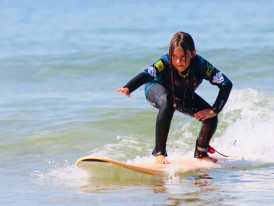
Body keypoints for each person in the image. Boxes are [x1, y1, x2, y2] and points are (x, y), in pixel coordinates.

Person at [116, 31, 232, 164]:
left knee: (211, 118)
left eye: (183, 57)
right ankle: (159, 153)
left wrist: (214, 110)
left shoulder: (201, 65)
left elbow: (226, 84)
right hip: (155, 89)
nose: (178, 62)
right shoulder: (165, 61)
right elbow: (147, 73)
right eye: (174, 56)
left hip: (182, 95)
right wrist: (129, 87)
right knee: (168, 101)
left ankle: (201, 153)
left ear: (193, 53)